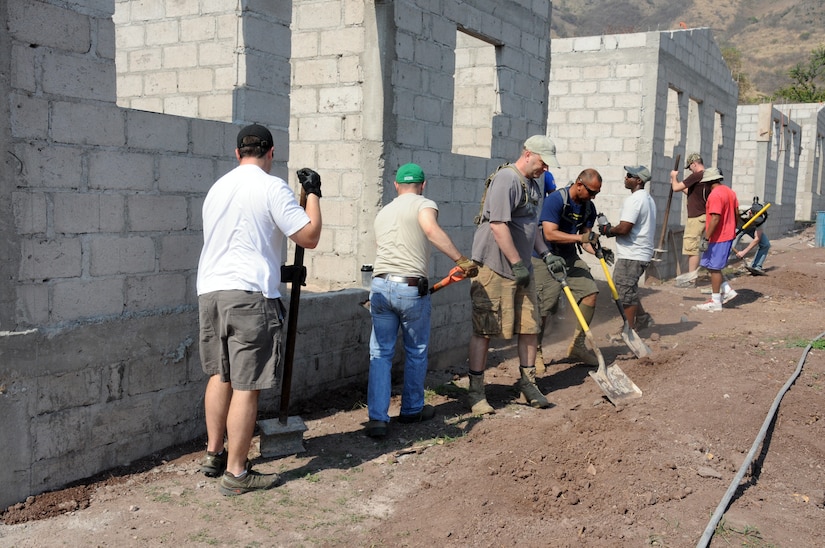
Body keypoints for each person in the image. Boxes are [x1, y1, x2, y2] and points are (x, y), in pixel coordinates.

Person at [196, 124, 323, 495]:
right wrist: (312, 194)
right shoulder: (271, 187)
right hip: (250, 297)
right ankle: (236, 474)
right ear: (270, 153)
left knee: (221, 375)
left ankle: (213, 453)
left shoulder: (218, 188)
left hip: (211, 292)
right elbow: (309, 236)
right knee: (247, 385)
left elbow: (239, 241)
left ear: (237, 154)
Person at [366, 163, 478, 438]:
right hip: (410, 289)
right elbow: (430, 230)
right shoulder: (423, 204)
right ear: (423, 185)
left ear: (395, 186)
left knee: (380, 354)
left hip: (380, 287)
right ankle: (412, 410)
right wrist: (461, 260)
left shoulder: (383, 211)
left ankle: (378, 420)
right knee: (416, 351)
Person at [467, 135, 565, 414]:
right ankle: (475, 392)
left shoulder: (535, 183)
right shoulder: (507, 179)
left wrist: (546, 254)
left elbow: (529, 227)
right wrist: (516, 264)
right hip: (495, 266)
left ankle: (527, 384)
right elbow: (498, 225)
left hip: (521, 266)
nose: (545, 169)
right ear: (528, 153)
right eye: (542, 163)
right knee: (484, 328)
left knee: (530, 326)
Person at [537, 169, 603, 367]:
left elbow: (586, 240)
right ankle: (536, 352)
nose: (593, 196)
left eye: (596, 193)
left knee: (591, 292)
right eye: (591, 192)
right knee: (544, 307)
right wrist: (579, 238)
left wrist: (599, 251)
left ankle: (578, 345)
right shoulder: (556, 200)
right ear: (579, 184)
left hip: (568, 256)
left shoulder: (588, 207)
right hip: (544, 256)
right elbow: (549, 234)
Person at [598, 165, 657, 332]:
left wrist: (608, 230)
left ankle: (628, 330)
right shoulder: (647, 199)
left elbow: (624, 229)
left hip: (633, 254)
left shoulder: (635, 200)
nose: (626, 178)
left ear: (638, 180)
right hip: (639, 252)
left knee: (623, 293)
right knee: (628, 289)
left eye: (629, 175)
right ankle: (643, 319)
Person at [690, 167, 739, 312]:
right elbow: (736, 212)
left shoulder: (715, 195)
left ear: (708, 182)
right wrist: (733, 227)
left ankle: (716, 301)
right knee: (710, 265)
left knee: (715, 268)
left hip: (719, 236)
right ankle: (727, 289)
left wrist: (706, 237)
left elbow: (715, 218)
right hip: (727, 234)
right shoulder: (729, 191)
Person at [670, 153, 707, 281]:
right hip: (704, 215)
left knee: (692, 248)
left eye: (690, 167)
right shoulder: (706, 176)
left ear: (694, 164)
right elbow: (690, 193)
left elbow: (675, 188)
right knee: (695, 246)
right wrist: (679, 183)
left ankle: (691, 278)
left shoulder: (696, 176)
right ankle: (692, 276)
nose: (690, 169)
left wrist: (674, 177)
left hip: (696, 217)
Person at [734, 198, 771, 274]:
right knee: (729, 246)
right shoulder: (741, 210)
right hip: (738, 227)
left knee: (765, 244)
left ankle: (756, 266)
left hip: (753, 228)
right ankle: (718, 267)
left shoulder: (763, 219)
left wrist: (744, 252)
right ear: (750, 212)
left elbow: (757, 239)